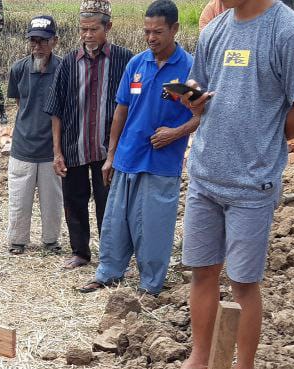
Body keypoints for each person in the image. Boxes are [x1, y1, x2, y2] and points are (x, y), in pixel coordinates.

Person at [161, 0, 294, 369]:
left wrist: (261, 140)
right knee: (202, 271)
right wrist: (192, 101)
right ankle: (199, 357)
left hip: (252, 182)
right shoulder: (216, 29)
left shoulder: (286, 31)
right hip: (205, 174)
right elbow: (201, 91)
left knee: (244, 283)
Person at [83, 0, 197, 295]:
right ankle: (108, 273)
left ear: (174, 29)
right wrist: (110, 155)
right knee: (115, 221)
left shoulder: (189, 68)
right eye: (147, 31)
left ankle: (150, 285)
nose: (151, 38)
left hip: (162, 162)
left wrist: (175, 133)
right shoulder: (137, 65)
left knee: (154, 227)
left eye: (157, 32)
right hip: (127, 156)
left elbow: (201, 114)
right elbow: (121, 110)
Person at [45, 0, 134, 271]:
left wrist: (120, 150)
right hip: (75, 147)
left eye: (93, 29)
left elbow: (131, 105)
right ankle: (80, 252)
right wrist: (57, 152)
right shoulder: (69, 63)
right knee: (74, 201)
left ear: (108, 27)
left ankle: (110, 256)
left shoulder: (124, 60)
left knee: (109, 205)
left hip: (109, 150)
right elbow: (56, 110)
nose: (87, 35)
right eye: (83, 30)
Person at [6, 16, 63, 255]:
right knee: (19, 198)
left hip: (52, 148)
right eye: (33, 41)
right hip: (23, 145)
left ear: (55, 41)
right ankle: (17, 241)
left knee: (52, 201)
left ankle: (51, 241)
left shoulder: (63, 68)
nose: (37, 46)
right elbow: (21, 103)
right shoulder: (19, 69)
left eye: (43, 41)